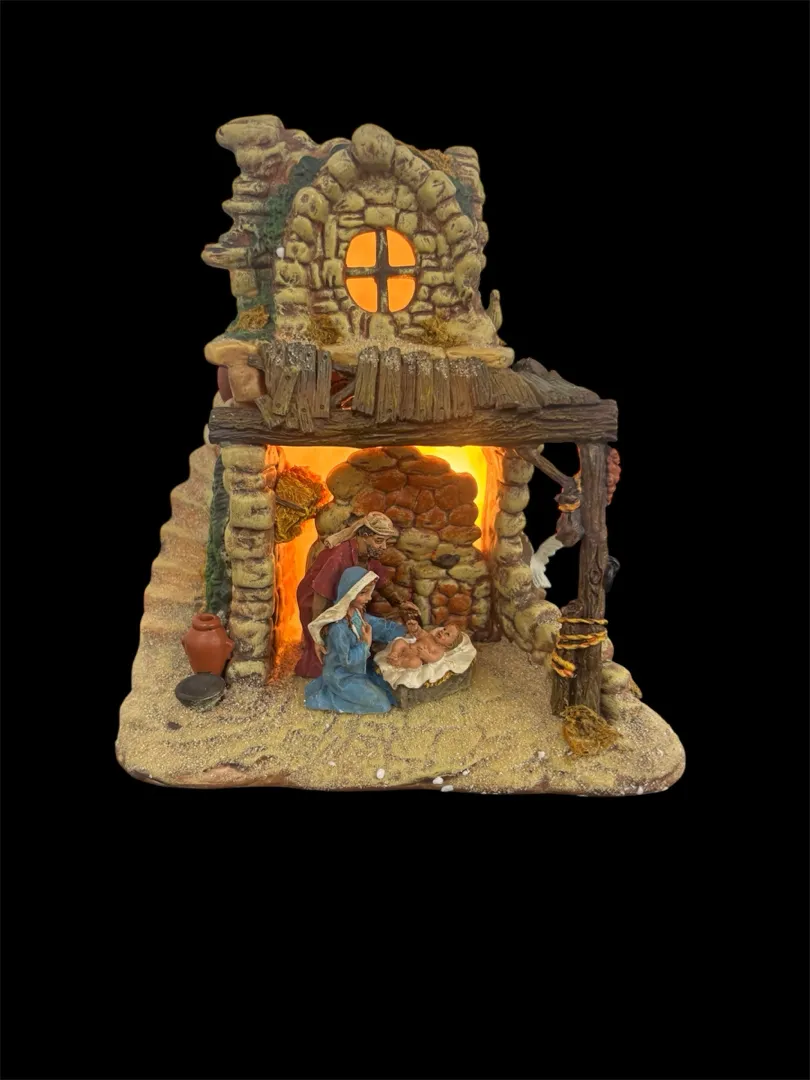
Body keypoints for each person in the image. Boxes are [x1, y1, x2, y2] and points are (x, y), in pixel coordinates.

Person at [294, 511, 417, 678]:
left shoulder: (368, 555)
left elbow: (382, 581)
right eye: (379, 540)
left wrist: (400, 603)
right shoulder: (339, 556)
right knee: (324, 649)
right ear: (364, 536)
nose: (383, 546)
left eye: (385, 541)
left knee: (360, 629)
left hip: (342, 603)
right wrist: (319, 627)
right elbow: (321, 593)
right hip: (316, 601)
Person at [304, 567, 409, 714]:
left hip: (360, 670)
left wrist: (404, 631)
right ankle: (326, 698)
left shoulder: (356, 613)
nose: (369, 598)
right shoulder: (338, 628)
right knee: (382, 705)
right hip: (343, 676)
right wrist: (365, 643)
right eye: (363, 593)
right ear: (350, 593)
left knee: (389, 690)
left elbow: (375, 625)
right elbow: (347, 661)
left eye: (369, 592)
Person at [385, 621, 462, 669]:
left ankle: (400, 662)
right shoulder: (429, 636)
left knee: (415, 663)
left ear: (449, 645)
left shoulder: (440, 650)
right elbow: (420, 633)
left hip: (415, 657)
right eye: (444, 629)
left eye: (447, 634)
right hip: (408, 647)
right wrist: (415, 628)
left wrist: (427, 656)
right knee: (400, 641)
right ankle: (395, 653)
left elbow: (434, 659)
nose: (442, 632)